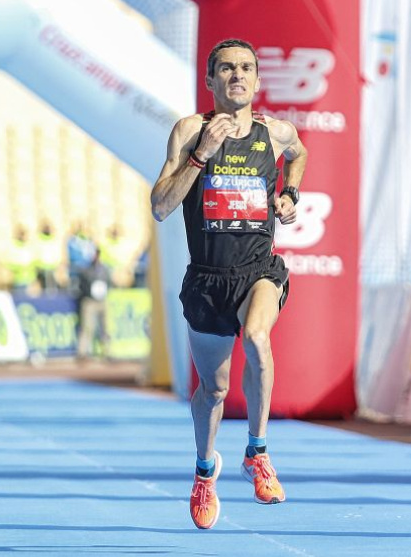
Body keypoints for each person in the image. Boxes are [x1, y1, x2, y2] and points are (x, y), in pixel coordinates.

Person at [150, 38, 305, 530]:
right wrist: (201, 156)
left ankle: (257, 453)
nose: (237, 75)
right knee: (213, 392)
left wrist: (290, 192)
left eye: (246, 68)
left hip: (258, 270)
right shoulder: (189, 130)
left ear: (257, 80)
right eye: (226, 68)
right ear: (210, 79)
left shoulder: (275, 133)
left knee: (258, 337)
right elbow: (160, 206)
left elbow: (298, 153)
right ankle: (204, 471)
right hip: (207, 280)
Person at [76, 247, 112, 360]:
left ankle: (106, 351)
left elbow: (109, 282)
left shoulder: (104, 269)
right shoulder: (86, 269)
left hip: (102, 300)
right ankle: (82, 352)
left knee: (105, 327)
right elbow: (82, 285)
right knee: (87, 327)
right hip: (90, 300)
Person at [66, 222, 96, 294]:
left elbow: (91, 254)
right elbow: (72, 253)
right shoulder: (73, 241)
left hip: (87, 267)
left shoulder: (88, 241)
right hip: (76, 266)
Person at [7, 226, 37, 296]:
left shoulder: (29, 247)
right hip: (18, 280)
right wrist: (19, 268)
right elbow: (9, 262)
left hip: (30, 280)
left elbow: (34, 261)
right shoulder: (13, 247)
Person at [35, 221, 62, 292]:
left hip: (52, 268)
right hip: (42, 268)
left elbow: (56, 254)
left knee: (52, 288)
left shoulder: (54, 240)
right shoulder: (39, 240)